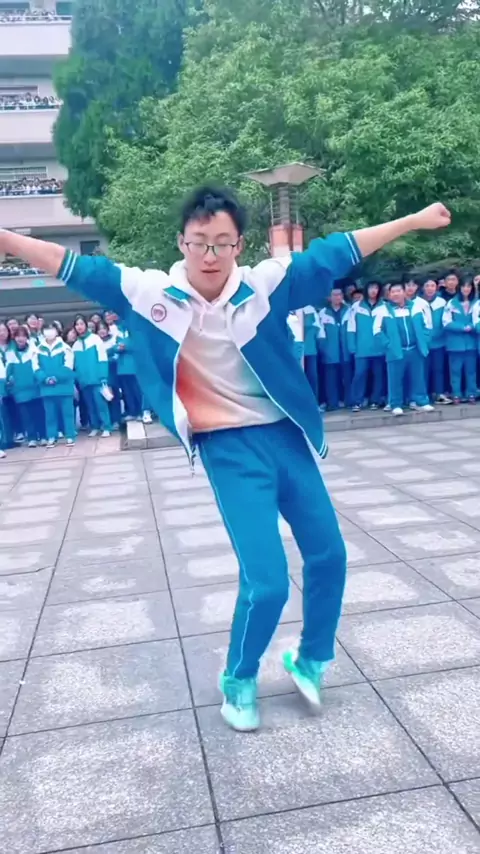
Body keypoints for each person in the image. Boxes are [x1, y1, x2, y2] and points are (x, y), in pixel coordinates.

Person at [0, 190, 451, 731]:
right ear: (181, 242)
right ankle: (239, 678)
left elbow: (337, 252)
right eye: (199, 242)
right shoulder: (149, 293)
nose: (209, 255)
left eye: (221, 243)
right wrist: (5, 239)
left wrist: (413, 220)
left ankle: (311, 659)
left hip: (285, 437)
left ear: (239, 244)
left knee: (330, 555)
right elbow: (71, 265)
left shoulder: (265, 285)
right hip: (228, 447)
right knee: (268, 582)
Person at [373, 282, 434, 417]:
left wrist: (425, 340)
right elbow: (377, 331)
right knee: (395, 379)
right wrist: (389, 345)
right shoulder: (383, 310)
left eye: (398, 291)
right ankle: (396, 404)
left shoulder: (416, 307)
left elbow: (426, 326)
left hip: (415, 349)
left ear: (404, 292)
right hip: (396, 351)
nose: (396, 294)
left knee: (418, 377)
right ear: (389, 294)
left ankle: (421, 401)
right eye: (392, 292)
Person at [33, 323, 76, 447]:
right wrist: (45, 379)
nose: (49, 332)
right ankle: (52, 436)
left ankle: (70, 436)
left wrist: (56, 378)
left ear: (57, 331)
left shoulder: (65, 347)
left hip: (64, 387)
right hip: (47, 389)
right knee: (50, 415)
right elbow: (36, 367)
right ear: (42, 332)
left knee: (68, 414)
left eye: (52, 329)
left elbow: (68, 366)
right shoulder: (38, 349)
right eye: (46, 329)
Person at [71, 315, 112, 437]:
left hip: (97, 378)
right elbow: (75, 365)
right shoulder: (75, 345)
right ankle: (95, 426)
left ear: (86, 325)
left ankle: (106, 426)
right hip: (84, 381)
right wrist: (78, 378)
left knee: (101, 404)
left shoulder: (95, 339)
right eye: (77, 324)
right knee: (90, 405)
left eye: (81, 324)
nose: (79, 327)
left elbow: (102, 358)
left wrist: (103, 375)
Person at [5, 325, 46, 446]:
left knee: (39, 413)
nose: (20, 338)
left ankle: (43, 436)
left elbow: (38, 368)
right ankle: (31, 438)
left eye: (23, 336)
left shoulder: (33, 351)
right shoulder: (10, 354)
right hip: (20, 391)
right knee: (26, 416)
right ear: (14, 338)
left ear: (27, 338)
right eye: (18, 336)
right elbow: (8, 373)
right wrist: (10, 381)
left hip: (35, 389)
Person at [348, 281, 385, 411]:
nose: (373, 290)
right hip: (361, 348)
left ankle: (375, 400)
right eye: (371, 288)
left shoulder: (384, 306)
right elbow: (351, 327)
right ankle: (356, 401)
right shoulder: (356, 307)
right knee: (359, 374)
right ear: (366, 290)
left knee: (378, 375)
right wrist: (352, 346)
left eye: (376, 288)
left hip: (379, 348)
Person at [443, 275, 477, 404]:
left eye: (469, 286)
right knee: (455, 370)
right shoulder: (452, 303)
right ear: (459, 287)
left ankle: (471, 393)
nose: (466, 289)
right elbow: (446, 322)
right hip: (455, 343)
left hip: (471, 343)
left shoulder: (476, 302)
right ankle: (456, 394)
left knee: (471, 371)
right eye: (464, 286)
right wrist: (462, 327)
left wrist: (472, 327)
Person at [317, 287, 351, 410]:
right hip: (330, 351)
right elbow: (320, 334)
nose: (337, 297)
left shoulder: (349, 310)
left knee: (348, 377)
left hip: (346, 350)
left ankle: (349, 401)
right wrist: (324, 349)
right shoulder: (323, 313)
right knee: (331, 380)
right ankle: (333, 403)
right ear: (329, 297)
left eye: (339, 294)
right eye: (334, 295)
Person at [422, 278, 450, 404]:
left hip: (439, 341)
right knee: (424, 370)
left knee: (438, 369)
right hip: (424, 342)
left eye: (432, 286)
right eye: (427, 285)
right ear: (423, 288)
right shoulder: (418, 302)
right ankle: (424, 394)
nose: (430, 288)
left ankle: (439, 393)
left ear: (436, 288)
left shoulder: (442, 302)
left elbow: (446, 320)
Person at [96, 319, 122, 428]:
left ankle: (116, 420)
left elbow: (116, 355)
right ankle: (107, 421)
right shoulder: (95, 342)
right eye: (99, 329)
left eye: (104, 328)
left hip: (112, 371)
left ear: (108, 330)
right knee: (103, 397)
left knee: (114, 396)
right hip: (100, 372)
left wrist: (107, 354)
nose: (102, 331)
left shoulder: (113, 340)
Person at [116, 323, 143, 420]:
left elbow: (138, 345)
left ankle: (141, 412)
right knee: (127, 392)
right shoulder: (117, 331)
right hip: (121, 368)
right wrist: (117, 347)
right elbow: (113, 346)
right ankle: (132, 412)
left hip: (133, 367)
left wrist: (125, 346)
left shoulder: (134, 330)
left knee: (137, 391)